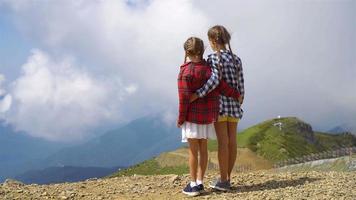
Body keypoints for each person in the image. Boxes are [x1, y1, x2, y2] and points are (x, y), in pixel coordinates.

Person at [177, 37, 241, 196]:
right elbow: (219, 84)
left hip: (191, 116)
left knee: (193, 151)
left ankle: (193, 185)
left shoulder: (185, 72)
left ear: (186, 52)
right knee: (203, 150)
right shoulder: (208, 69)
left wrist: (180, 119)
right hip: (207, 117)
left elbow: (184, 98)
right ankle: (200, 181)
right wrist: (235, 94)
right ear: (203, 50)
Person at [190, 25, 245, 191]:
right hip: (234, 104)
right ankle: (226, 178)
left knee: (223, 142)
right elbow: (241, 83)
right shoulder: (237, 59)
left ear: (213, 41)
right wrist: (240, 98)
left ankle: (223, 180)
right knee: (232, 141)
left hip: (219, 105)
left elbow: (213, 81)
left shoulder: (213, 59)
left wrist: (198, 94)